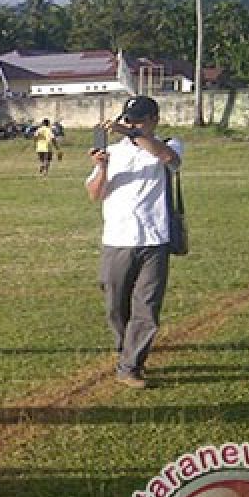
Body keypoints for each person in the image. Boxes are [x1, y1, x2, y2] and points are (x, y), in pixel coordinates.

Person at [85, 95, 183, 389]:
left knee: (147, 307)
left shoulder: (168, 144)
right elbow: (94, 194)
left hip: (155, 240)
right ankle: (124, 350)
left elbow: (170, 160)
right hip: (117, 240)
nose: (132, 124)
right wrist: (101, 167)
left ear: (154, 120)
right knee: (116, 306)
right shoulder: (113, 153)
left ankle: (131, 366)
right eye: (129, 119)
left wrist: (131, 133)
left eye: (139, 120)